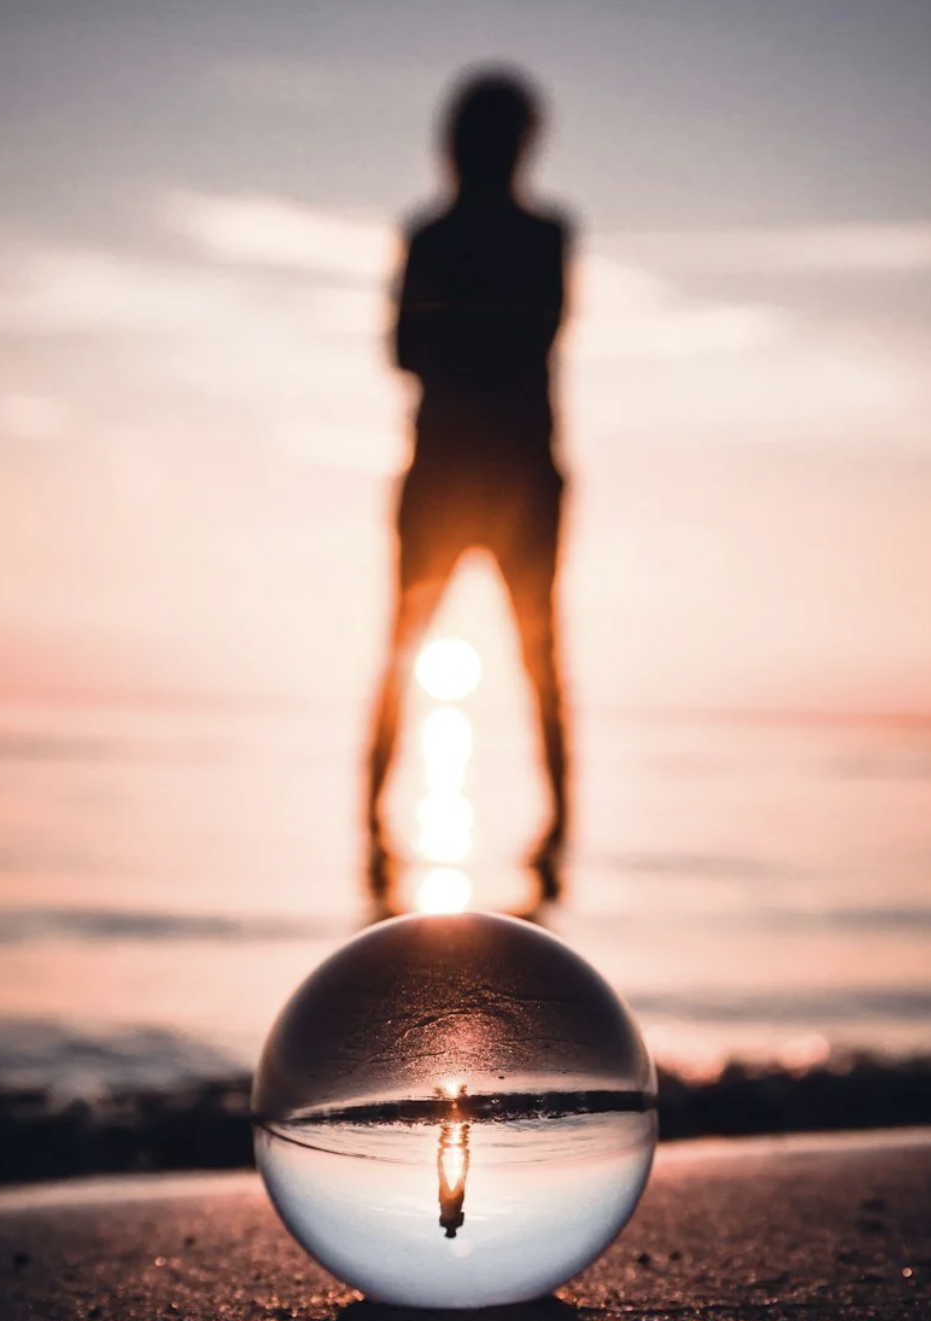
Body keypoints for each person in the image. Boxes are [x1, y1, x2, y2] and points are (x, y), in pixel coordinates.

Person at [365, 69, 572, 904]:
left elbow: (426, 350)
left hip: (504, 474)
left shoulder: (530, 236)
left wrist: (461, 344)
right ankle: (373, 829)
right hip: (465, 472)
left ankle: (557, 838)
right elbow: (409, 351)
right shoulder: (442, 236)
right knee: (413, 650)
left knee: (535, 658)